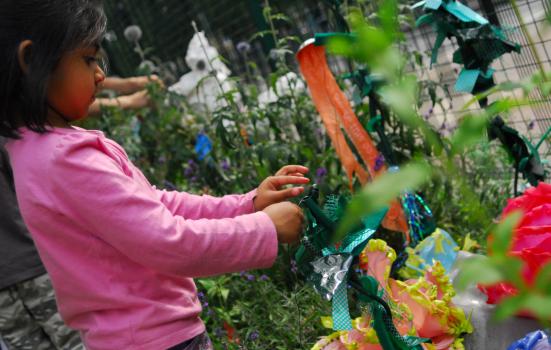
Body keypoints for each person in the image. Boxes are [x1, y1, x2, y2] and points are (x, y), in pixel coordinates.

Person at [0, 1, 308, 350]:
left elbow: (154, 204)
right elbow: (167, 241)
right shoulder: (64, 159)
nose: (100, 74)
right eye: (87, 59)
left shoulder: (38, 152)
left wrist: (246, 204)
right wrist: (264, 228)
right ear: (31, 61)